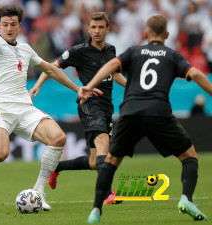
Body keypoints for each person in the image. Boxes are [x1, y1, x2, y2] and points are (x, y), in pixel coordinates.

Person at [0, 5, 88, 211]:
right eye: (5, 24)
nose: (9, 28)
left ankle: (39, 192)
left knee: (58, 138)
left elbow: (50, 69)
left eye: (13, 24)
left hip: (24, 107)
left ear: (20, 26)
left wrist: (78, 89)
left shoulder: (25, 49)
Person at [80, 15, 210, 223]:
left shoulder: (134, 51)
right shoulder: (172, 55)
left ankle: (95, 211)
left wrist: (90, 84)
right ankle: (186, 198)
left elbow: (112, 64)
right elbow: (195, 74)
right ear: (167, 35)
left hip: (130, 111)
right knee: (189, 156)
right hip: (159, 112)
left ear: (145, 34)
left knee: (111, 161)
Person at [29, 12, 126, 205]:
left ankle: (57, 167)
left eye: (101, 27)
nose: (97, 31)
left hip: (106, 106)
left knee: (93, 162)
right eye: (93, 27)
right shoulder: (79, 51)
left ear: (107, 29)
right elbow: (51, 66)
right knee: (104, 149)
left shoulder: (111, 50)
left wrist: (132, 87)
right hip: (89, 104)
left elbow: (114, 75)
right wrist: (38, 84)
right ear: (88, 29)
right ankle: (107, 194)